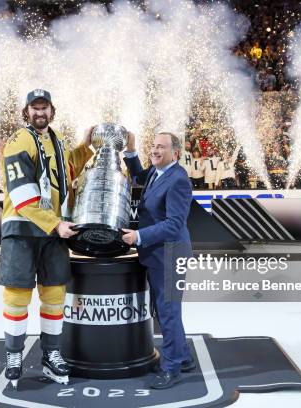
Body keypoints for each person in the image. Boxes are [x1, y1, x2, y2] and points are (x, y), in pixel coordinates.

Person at [0, 89, 93, 389]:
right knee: (17, 296)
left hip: (53, 232)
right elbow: (23, 193)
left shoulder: (57, 140)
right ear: (26, 111)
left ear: (52, 110)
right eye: (34, 108)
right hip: (23, 230)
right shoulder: (18, 140)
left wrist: (86, 146)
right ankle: (14, 355)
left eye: (44, 107)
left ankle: (52, 355)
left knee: (53, 296)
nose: (40, 113)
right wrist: (56, 225)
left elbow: (65, 173)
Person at [121, 131, 195, 390]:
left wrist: (139, 236)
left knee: (168, 312)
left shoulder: (178, 180)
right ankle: (182, 357)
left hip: (171, 255)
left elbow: (174, 224)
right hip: (158, 254)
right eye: (153, 146)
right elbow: (140, 176)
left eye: (161, 147)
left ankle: (171, 368)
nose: (154, 150)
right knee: (165, 312)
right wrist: (131, 152)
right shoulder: (158, 172)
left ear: (175, 153)